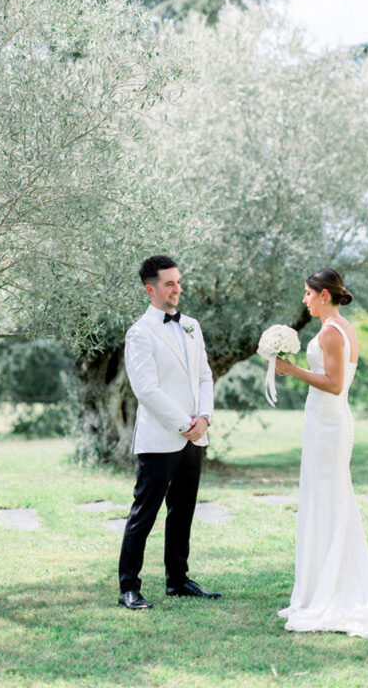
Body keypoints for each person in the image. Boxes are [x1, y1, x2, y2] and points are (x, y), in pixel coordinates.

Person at [274, 268, 368, 637]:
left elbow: (334, 384)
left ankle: (332, 590)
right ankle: (321, 583)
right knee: (326, 498)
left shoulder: (332, 332)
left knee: (327, 498)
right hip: (329, 421)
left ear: (323, 295)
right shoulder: (341, 326)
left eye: (307, 293)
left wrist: (291, 369)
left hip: (329, 422)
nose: (304, 300)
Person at [117, 254, 220, 610]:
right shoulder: (140, 332)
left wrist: (204, 417)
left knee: (183, 511)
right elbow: (146, 389)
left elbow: (204, 376)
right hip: (161, 437)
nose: (177, 289)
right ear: (151, 289)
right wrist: (184, 424)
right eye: (169, 284)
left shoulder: (192, 325)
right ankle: (128, 586)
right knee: (144, 513)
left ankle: (178, 580)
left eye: (178, 282)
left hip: (195, 434)